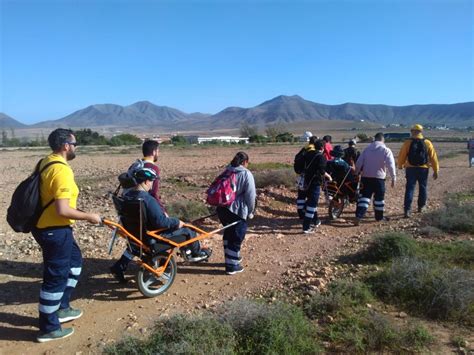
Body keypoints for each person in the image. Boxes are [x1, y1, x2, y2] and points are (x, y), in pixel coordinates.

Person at [32, 128, 101, 342]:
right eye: (75, 143)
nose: (75, 147)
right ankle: (48, 327)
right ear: (66, 146)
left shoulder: (47, 161)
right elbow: (63, 209)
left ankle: (62, 307)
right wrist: (90, 216)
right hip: (54, 229)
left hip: (51, 227)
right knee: (55, 278)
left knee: (75, 262)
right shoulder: (61, 170)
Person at [110, 168, 211, 283]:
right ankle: (196, 253)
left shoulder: (127, 197)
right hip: (153, 237)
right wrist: (177, 222)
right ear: (146, 182)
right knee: (188, 230)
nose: (152, 184)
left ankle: (119, 266)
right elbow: (161, 222)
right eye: (151, 181)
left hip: (134, 234)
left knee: (135, 246)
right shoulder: (148, 200)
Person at [216, 152, 256, 275]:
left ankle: (230, 259)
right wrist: (251, 211)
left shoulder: (227, 171)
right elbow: (251, 195)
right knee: (237, 236)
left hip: (222, 208)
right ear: (245, 162)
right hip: (237, 210)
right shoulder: (245, 174)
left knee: (228, 233)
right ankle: (232, 266)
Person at [397, 124, 439, 218]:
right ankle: (421, 207)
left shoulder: (407, 142)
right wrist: (436, 170)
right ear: (421, 131)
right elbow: (433, 157)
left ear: (412, 131)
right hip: (423, 168)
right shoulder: (427, 142)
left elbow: (402, 155)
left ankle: (407, 210)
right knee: (423, 187)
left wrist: (400, 165)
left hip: (410, 168)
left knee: (410, 188)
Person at [354, 132, 396, 225]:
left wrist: (356, 173)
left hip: (366, 177)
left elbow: (359, 163)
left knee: (364, 198)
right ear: (383, 139)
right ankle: (379, 217)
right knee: (379, 199)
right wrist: (393, 177)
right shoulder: (385, 150)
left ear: (375, 139)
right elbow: (391, 164)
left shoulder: (367, 149)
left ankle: (359, 216)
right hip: (379, 178)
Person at [299, 139, 332, 233]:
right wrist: (328, 176)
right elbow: (322, 171)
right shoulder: (321, 157)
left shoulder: (308, 154)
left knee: (310, 202)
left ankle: (315, 220)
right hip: (315, 183)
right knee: (312, 205)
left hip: (306, 181)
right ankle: (306, 227)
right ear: (322, 148)